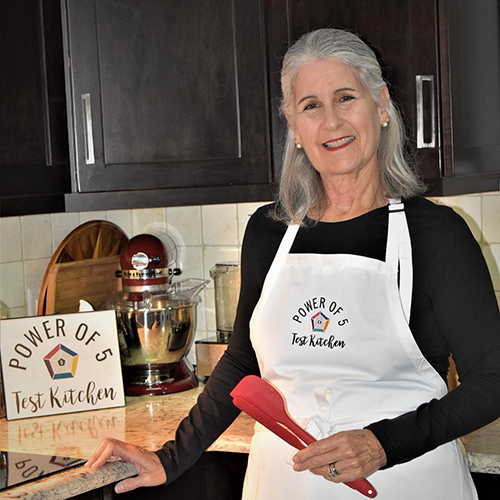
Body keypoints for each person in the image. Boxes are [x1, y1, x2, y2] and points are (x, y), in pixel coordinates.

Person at [88, 28, 500, 499]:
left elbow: (492, 379)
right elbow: (244, 361)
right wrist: (173, 457)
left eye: (346, 97)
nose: (331, 122)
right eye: (310, 106)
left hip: (406, 483)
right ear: (293, 125)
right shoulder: (269, 231)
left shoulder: (436, 234)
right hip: (282, 484)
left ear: (381, 105)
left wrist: (382, 444)